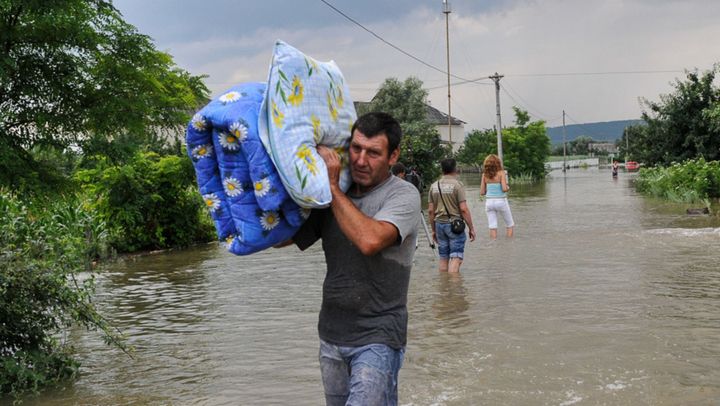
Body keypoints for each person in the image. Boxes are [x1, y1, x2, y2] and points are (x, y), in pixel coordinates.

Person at [291, 112, 421, 406]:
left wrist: (333, 188)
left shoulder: (403, 195)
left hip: (379, 336)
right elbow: (287, 239)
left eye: (373, 152)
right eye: (356, 148)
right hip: (331, 334)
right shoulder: (329, 198)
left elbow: (369, 240)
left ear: (393, 156)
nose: (361, 160)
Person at [427, 158, 476, 273]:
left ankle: (444, 286)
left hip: (439, 225)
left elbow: (430, 211)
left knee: (443, 257)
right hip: (454, 226)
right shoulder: (457, 185)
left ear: (442, 170)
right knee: (456, 257)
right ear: (455, 168)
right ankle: (453, 288)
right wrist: (471, 228)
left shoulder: (434, 186)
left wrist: (433, 230)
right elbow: (463, 209)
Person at [480, 154, 515, 239]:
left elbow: (482, 192)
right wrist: (508, 187)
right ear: (498, 163)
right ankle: (509, 245)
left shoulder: (484, 175)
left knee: (492, 226)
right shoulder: (501, 173)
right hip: (501, 201)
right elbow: (504, 189)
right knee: (510, 224)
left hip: (489, 203)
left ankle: (494, 246)